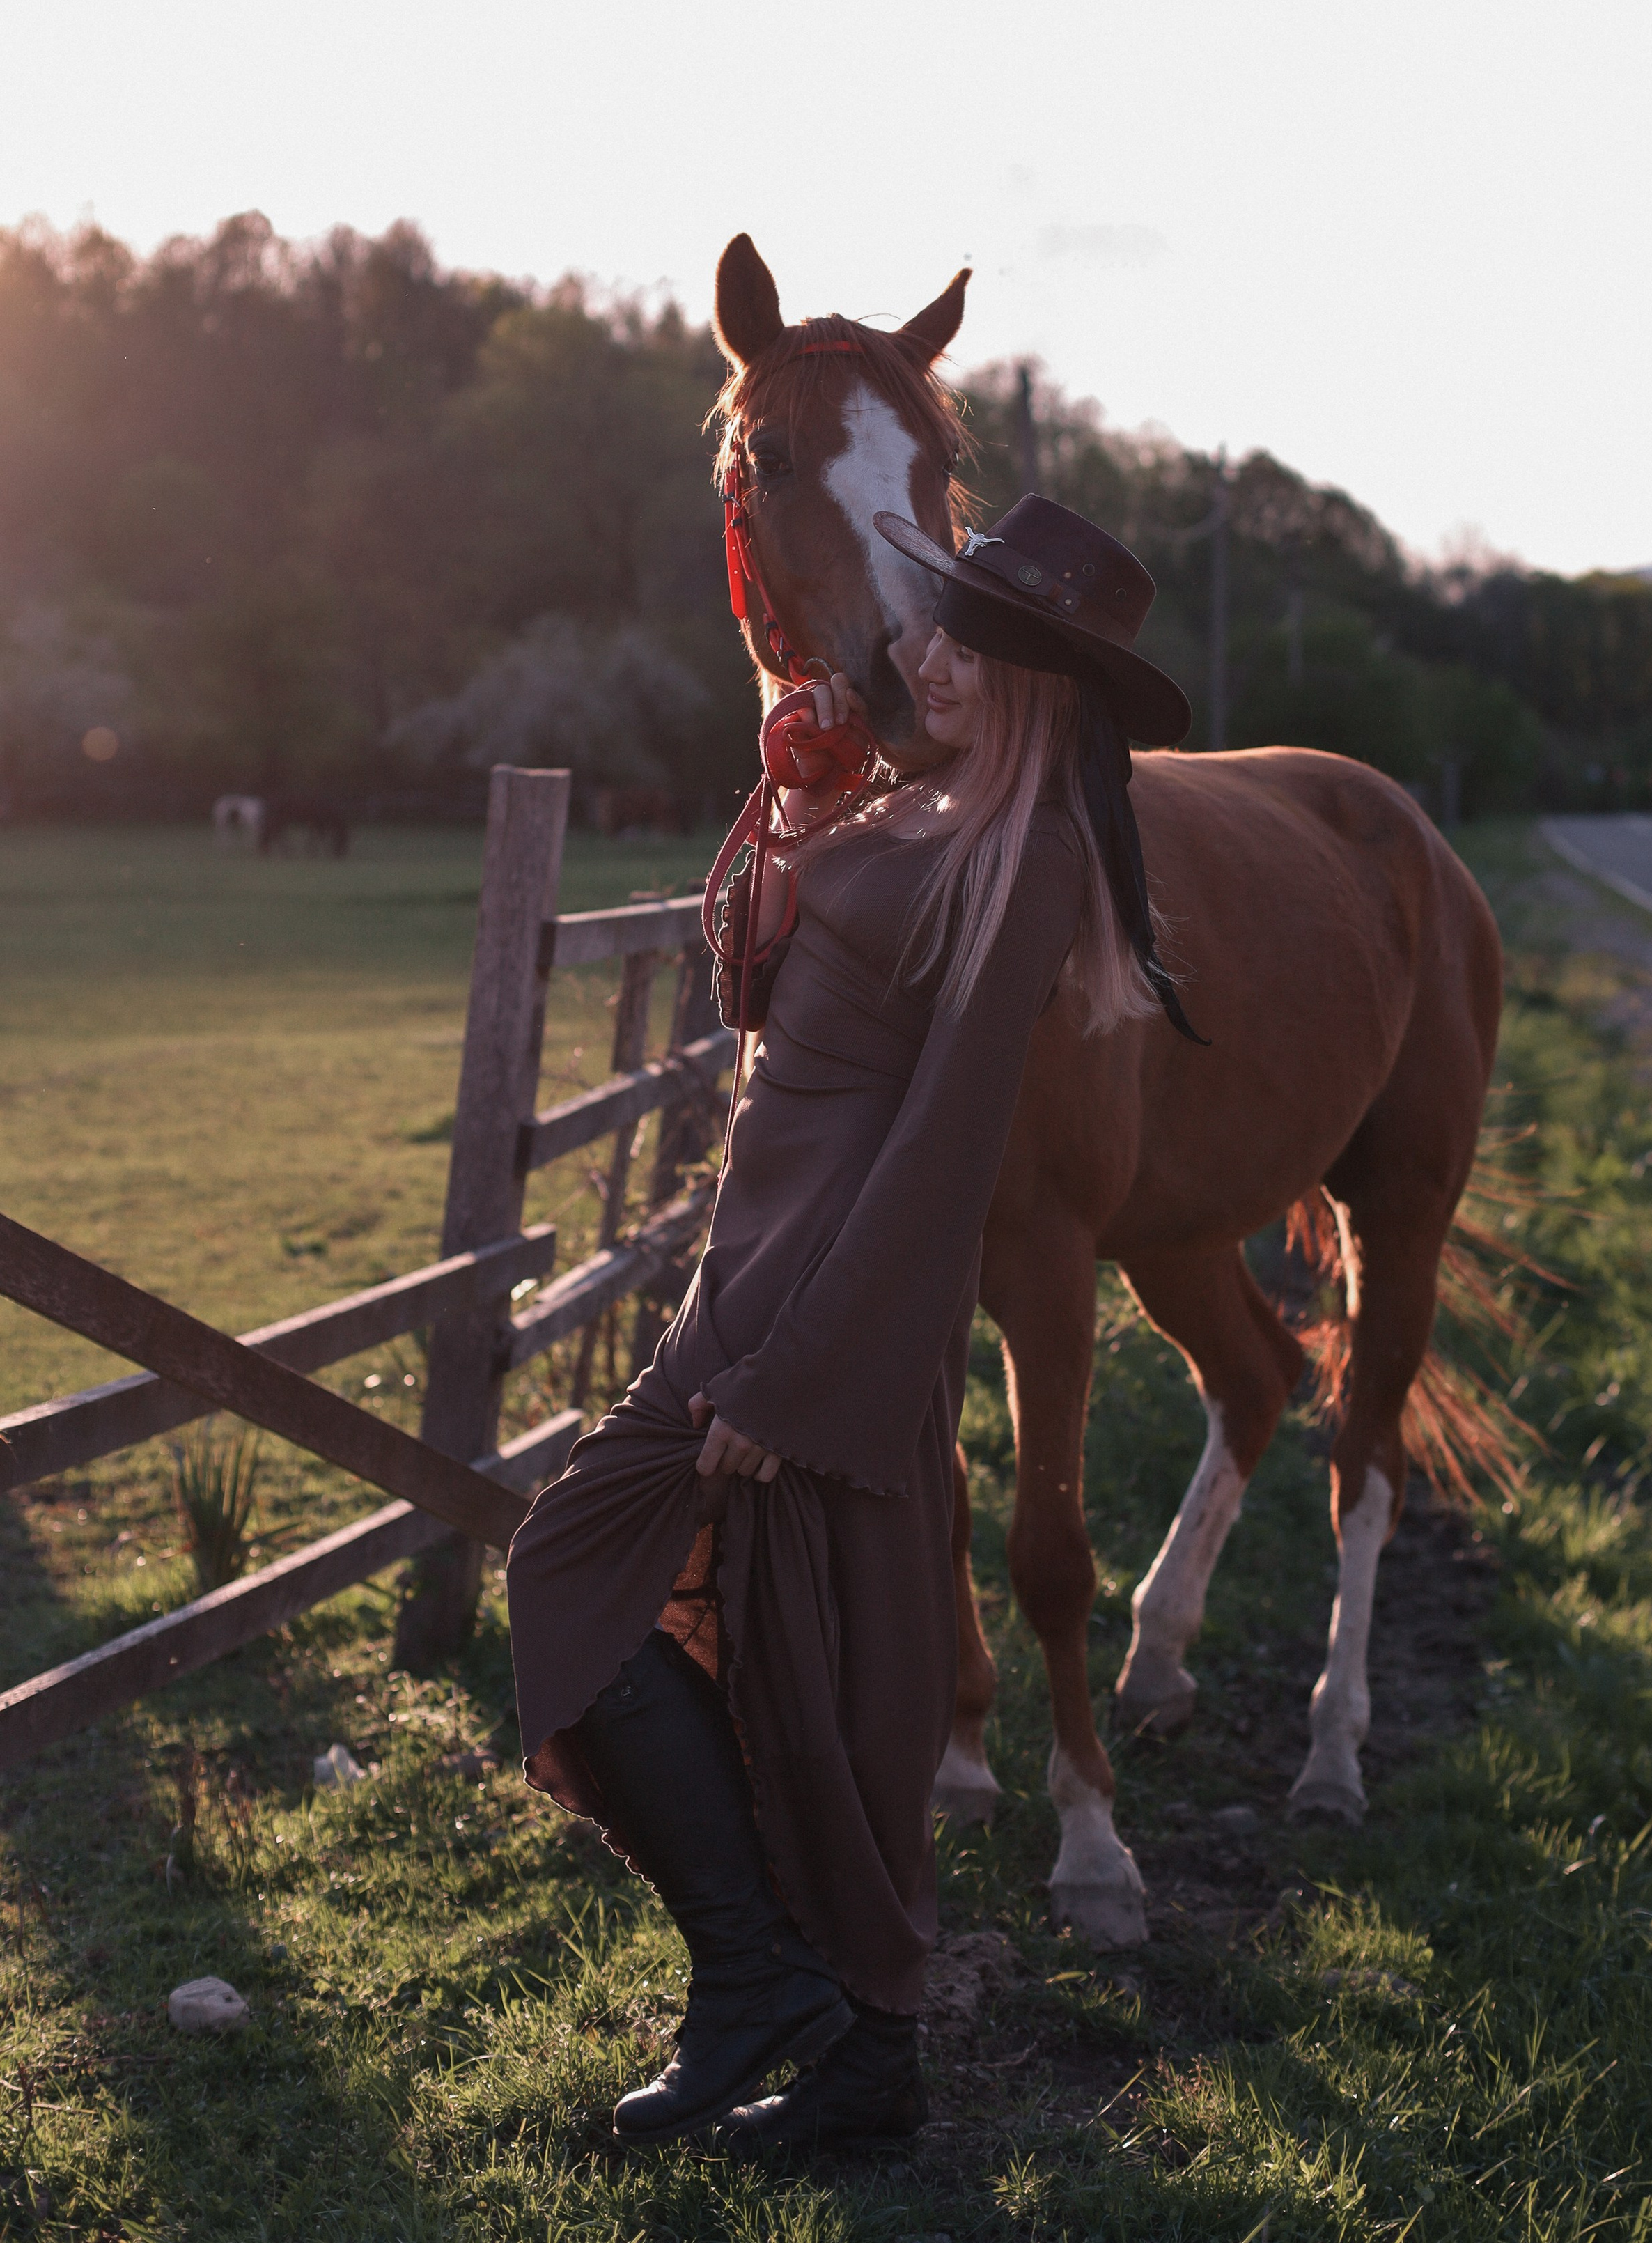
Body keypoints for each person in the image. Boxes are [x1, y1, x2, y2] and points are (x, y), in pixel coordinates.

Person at [505, 492, 1195, 2157]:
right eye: (939, 625)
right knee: (703, 1637)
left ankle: (825, 2026)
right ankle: (776, 2000)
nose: (930, 656)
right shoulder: (914, 799)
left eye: (979, 647)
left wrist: (804, 1376)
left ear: (1050, 688)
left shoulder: (1023, 854)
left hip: (825, 1313)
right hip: (742, 1273)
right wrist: (793, 800)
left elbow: (946, 1145)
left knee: (812, 1679)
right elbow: (751, 988)